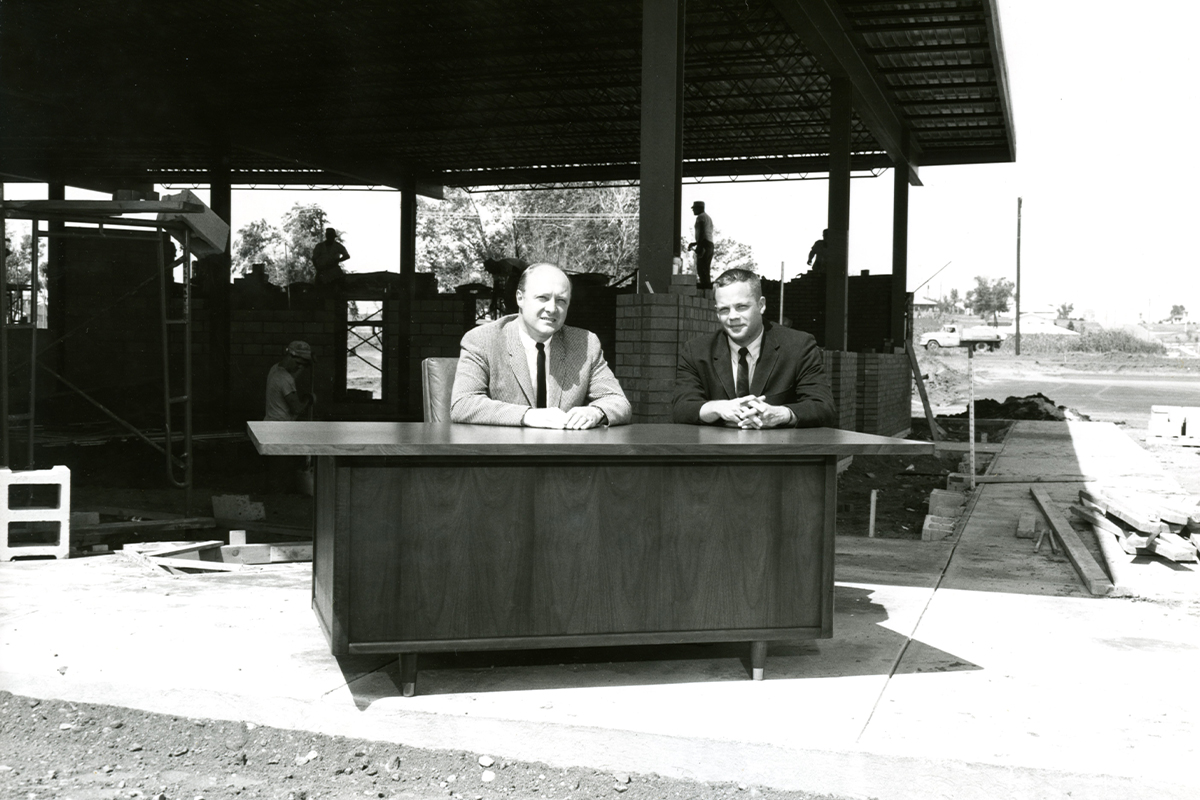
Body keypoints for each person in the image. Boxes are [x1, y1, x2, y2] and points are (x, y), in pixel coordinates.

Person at [451, 263, 631, 428]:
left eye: (561, 300)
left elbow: (618, 402)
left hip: (562, 456)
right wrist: (528, 416)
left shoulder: (584, 343)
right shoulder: (482, 339)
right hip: (504, 455)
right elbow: (463, 403)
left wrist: (595, 412)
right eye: (543, 298)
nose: (552, 309)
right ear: (520, 298)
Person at [672, 268, 836, 429]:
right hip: (717, 453)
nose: (733, 317)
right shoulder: (696, 351)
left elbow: (823, 407)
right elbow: (681, 408)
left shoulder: (799, 346)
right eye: (724, 309)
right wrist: (718, 408)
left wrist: (780, 414)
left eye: (741, 307)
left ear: (761, 305)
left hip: (778, 453)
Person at [264, 341, 315, 421]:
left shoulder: (275, 368)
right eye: (297, 363)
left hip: (270, 422)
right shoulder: (286, 379)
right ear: (290, 355)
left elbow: (288, 380)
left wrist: (305, 365)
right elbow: (297, 409)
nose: (298, 367)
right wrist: (308, 399)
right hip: (281, 427)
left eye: (302, 365)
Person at [686, 200, 715, 290]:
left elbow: (702, 232)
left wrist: (699, 246)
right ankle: (707, 290)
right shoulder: (708, 217)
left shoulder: (700, 217)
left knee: (701, 269)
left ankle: (705, 289)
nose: (693, 211)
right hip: (709, 244)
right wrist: (695, 243)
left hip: (704, 244)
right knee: (706, 269)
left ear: (699, 208)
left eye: (694, 209)